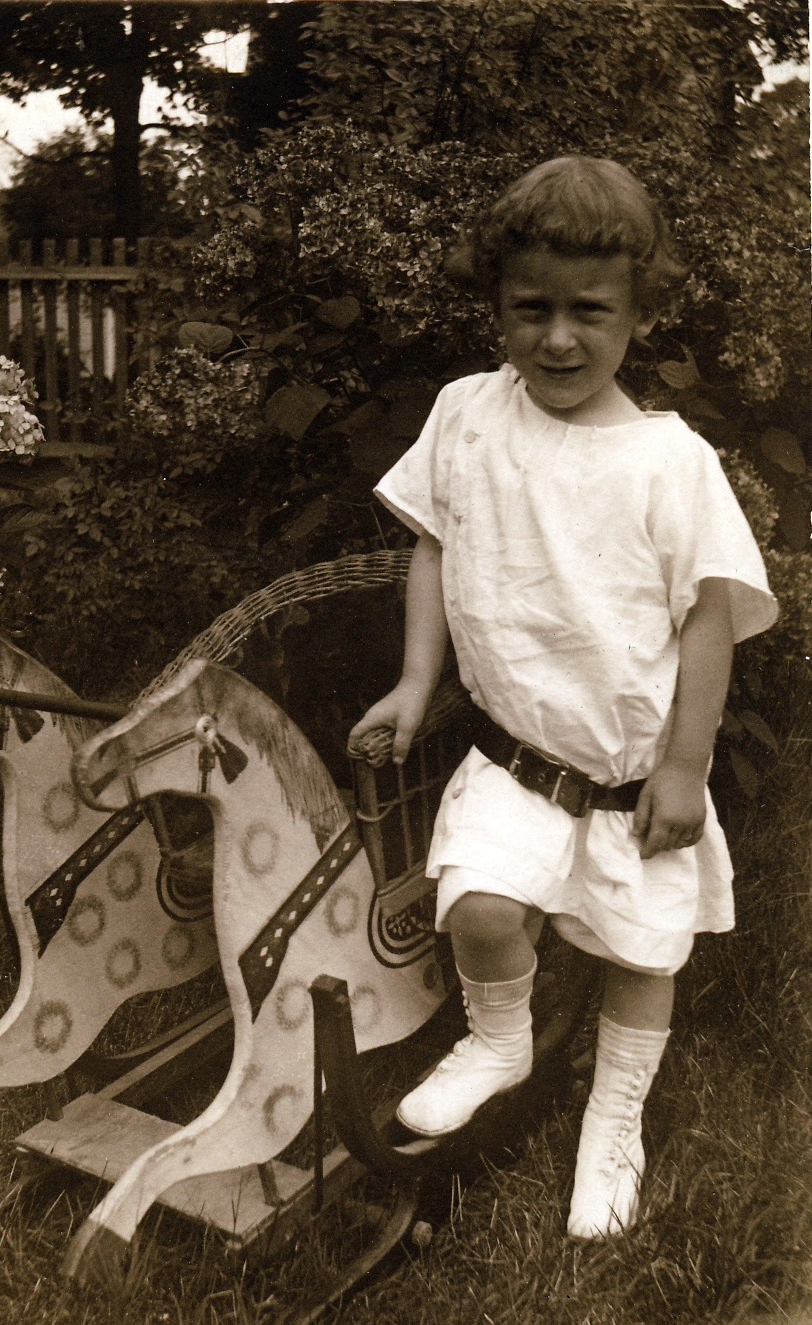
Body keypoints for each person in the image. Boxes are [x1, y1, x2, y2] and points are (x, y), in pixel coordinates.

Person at [348, 156, 777, 1240]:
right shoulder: (467, 415)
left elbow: (708, 619)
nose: (556, 339)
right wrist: (415, 681)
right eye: (528, 309)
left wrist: (684, 765)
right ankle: (500, 1038)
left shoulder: (669, 462)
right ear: (496, 304)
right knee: (481, 906)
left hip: (632, 768)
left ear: (641, 316)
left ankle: (614, 1117)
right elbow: (435, 547)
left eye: (590, 312)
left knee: (641, 952)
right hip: (513, 754)